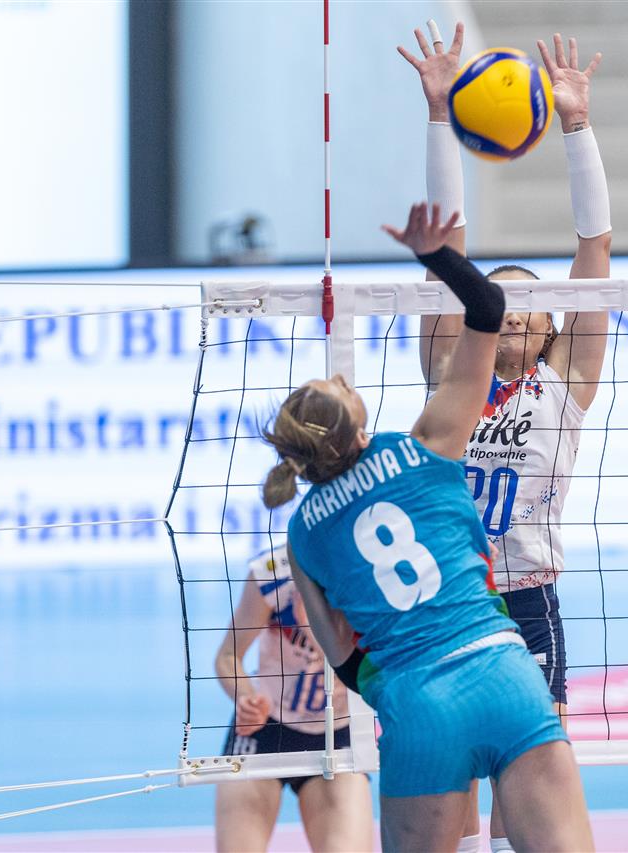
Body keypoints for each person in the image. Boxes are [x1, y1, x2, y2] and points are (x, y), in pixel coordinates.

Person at [261, 201, 594, 852]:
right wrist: (434, 255)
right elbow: (487, 308)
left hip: (417, 701)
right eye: (338, 385)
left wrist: (398, 691)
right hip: (503, 668)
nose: (342, 377)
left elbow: (343, 658)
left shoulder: (303, 532)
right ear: (355, 426)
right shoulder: (423, 447)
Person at [400, 22, 611, 852]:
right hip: (445, 600)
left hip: (527, 598)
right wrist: (439, 115)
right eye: (501, 300)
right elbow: (447, 247)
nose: (514, 312)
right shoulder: (450, 375)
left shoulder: (567, 381)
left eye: (531, 304)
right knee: (444, 794)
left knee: (528, 796)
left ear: (554, 324)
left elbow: (594, 249)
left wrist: (576, 124)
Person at [213, 546, 373, 852]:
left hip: (337, 734)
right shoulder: (272, 573)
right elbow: (227, 656)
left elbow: (366, 674)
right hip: (264, 730)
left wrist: (312, 626)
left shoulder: (369, 575)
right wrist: (246, 699)